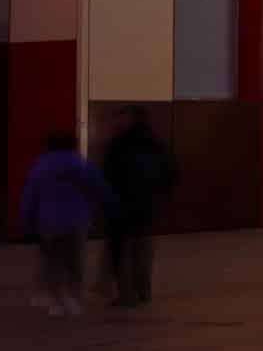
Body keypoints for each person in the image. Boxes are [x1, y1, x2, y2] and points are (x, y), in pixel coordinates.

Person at [18, 133, 109, 317]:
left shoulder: (42, 166)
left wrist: (26, 221)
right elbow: (100, 189)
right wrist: (107, 209)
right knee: (75, 261)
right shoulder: (83, 165)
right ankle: (74, 299)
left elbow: (30, 195)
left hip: (48, 221)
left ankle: (56, 301)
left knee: (52, 261)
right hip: (78, 220)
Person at [101, 107, 175, 307]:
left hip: (122, 205)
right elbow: (170, 173)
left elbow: (108, 175)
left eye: (121, 116)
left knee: (122, 251)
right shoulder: (156, 144)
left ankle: (127, 294)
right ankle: (142, 290)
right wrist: (161, 196)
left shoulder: (118, 145)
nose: (117, 121)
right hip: (147, 205)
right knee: (142, 250)